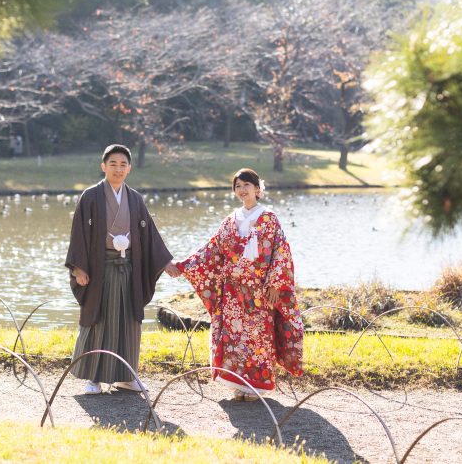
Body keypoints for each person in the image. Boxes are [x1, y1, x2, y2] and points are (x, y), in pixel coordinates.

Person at [174, 168, 303, 401]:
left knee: (258, 336)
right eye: (238, 186)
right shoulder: (230, 220)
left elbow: (281, 251)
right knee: (234, 337)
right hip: (232, 291)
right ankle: (238, 383)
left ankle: (258, 384)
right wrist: (185, 265)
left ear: (257, 189)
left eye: (247, 185)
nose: (242, 190)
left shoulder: (268, 217)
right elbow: (212, 250)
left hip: (259, 289)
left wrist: (275, 284)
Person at [65, 144, 179, 394]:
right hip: (99, 268)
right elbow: (79, 236)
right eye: (113, 164)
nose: (118, 169)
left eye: (123, 164)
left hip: (128, 269)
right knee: (99, 321)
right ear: (103, 166)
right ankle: (93, 378)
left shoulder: (135, 198)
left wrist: (166, 261)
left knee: (129, 322)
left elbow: (150, 235)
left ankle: (127, 376)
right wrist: (78, 268)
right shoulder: (91, 196)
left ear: (130, 168)